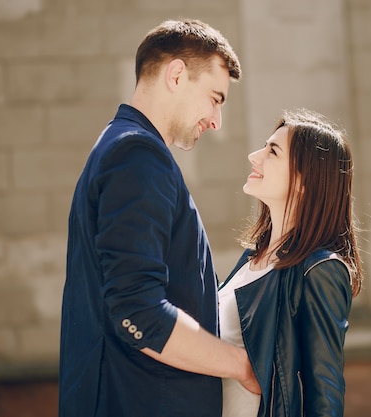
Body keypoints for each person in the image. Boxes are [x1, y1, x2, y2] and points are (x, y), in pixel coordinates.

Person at [59, 19, 260, 417]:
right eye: (215, 98)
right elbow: (138, 311)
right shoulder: (136, 155)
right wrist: (242, 366)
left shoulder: (122, 147)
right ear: (177, 75)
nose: (217, 120)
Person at [218, 109, 364, 417]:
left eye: (272, 151)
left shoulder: (320, 270)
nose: (254, 156)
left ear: (304, 181)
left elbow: (324, 390)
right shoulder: (251, 258)